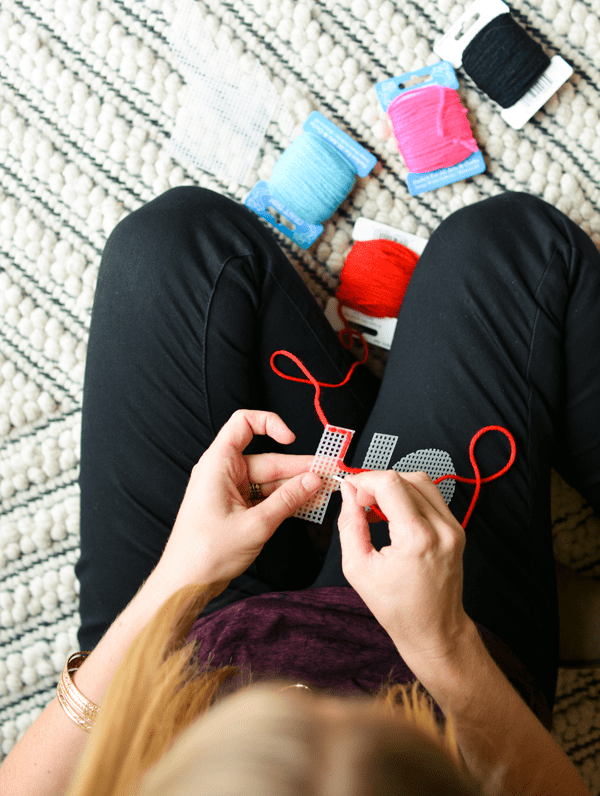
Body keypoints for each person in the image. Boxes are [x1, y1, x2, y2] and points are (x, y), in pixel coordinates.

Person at [0, 186, 596, 796]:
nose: (301, 688)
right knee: (508, 246)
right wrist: (446, 647)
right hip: (429, 644)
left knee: (171, 244)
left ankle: (374, 457)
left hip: (166, 667)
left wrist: (179, 576)